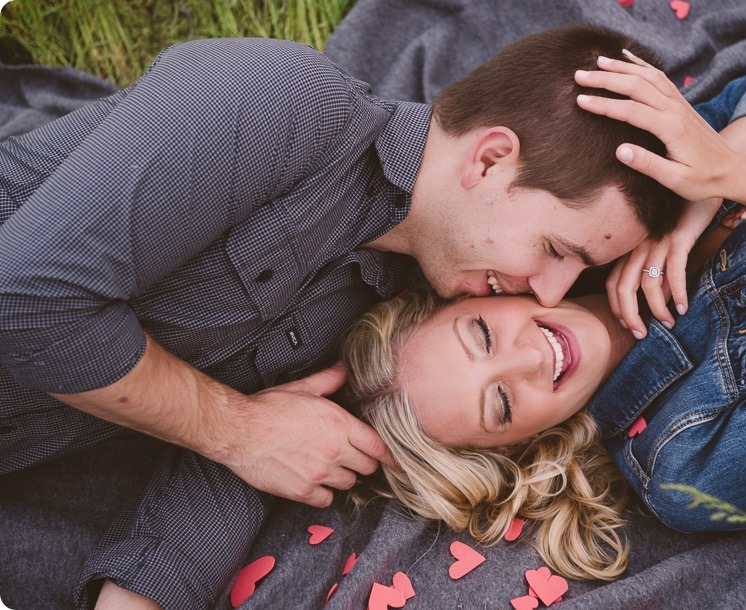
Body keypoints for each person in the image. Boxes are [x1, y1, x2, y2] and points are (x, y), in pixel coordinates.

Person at [0, 24, 681, 609]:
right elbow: (24, 302)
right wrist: (235, 429)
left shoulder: (405, 308)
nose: (548, 291)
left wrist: (139, 591)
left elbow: (275, 442)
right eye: (555, 251)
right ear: (491, 158)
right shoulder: (278, 100)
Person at [341, 39, 746, 582]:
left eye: (484, 336)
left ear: (474, 296)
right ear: (517, 449)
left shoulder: (606, 219)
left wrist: (705, 189)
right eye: (502, 401)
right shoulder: (689, 464)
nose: (528, 358)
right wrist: (738, 177)